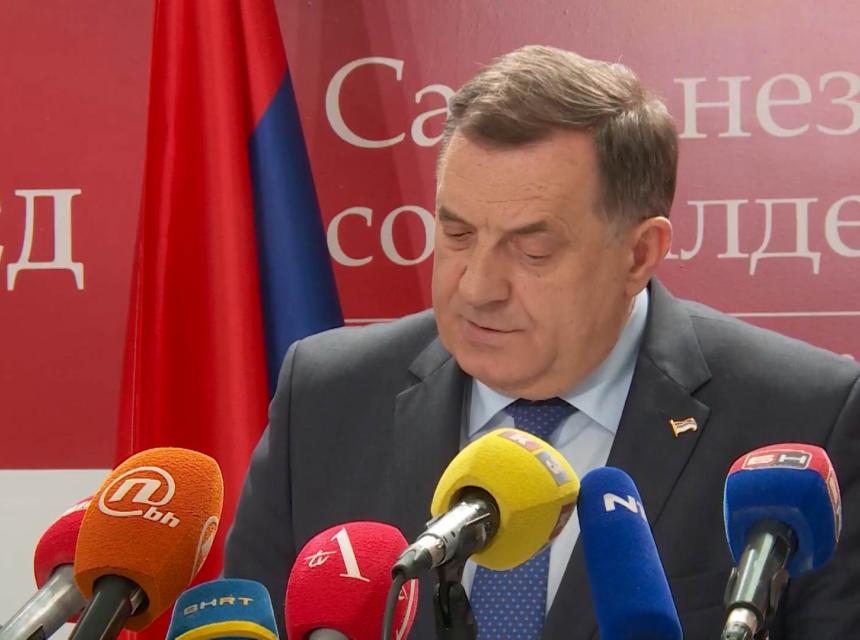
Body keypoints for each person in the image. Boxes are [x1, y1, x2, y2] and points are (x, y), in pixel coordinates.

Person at [224, 45, 860, 639]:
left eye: (532, 250)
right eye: (457, 235)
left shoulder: (804, 418)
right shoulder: (326, 396)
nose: (477, 288)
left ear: (639, 253)